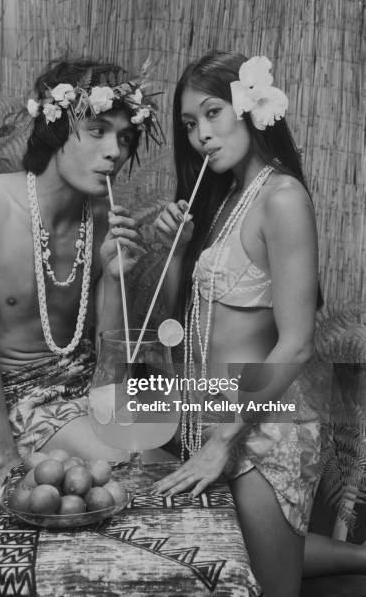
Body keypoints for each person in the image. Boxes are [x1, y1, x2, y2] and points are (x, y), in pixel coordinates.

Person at [152, 51, 365, 595]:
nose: (201, 134)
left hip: (264, 426)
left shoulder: (283, 198)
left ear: (250, 108)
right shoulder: (222, 201)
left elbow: (295, 345)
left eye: (213, 112)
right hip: (212, 408)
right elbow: (178, 326)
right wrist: (176, 253)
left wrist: (222, 441)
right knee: (229, 556)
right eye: (189, 124)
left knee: (270, 587)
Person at [0, 58, 164, 485]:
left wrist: (115, 277)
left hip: (89, 389)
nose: (115, 151)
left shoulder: (102, 219)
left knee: (181, 451)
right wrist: (8, 464)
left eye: (126, 137)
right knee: (146, 467)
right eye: (97, 131)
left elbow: (110, 365)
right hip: (20, 401)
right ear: (56, 128)